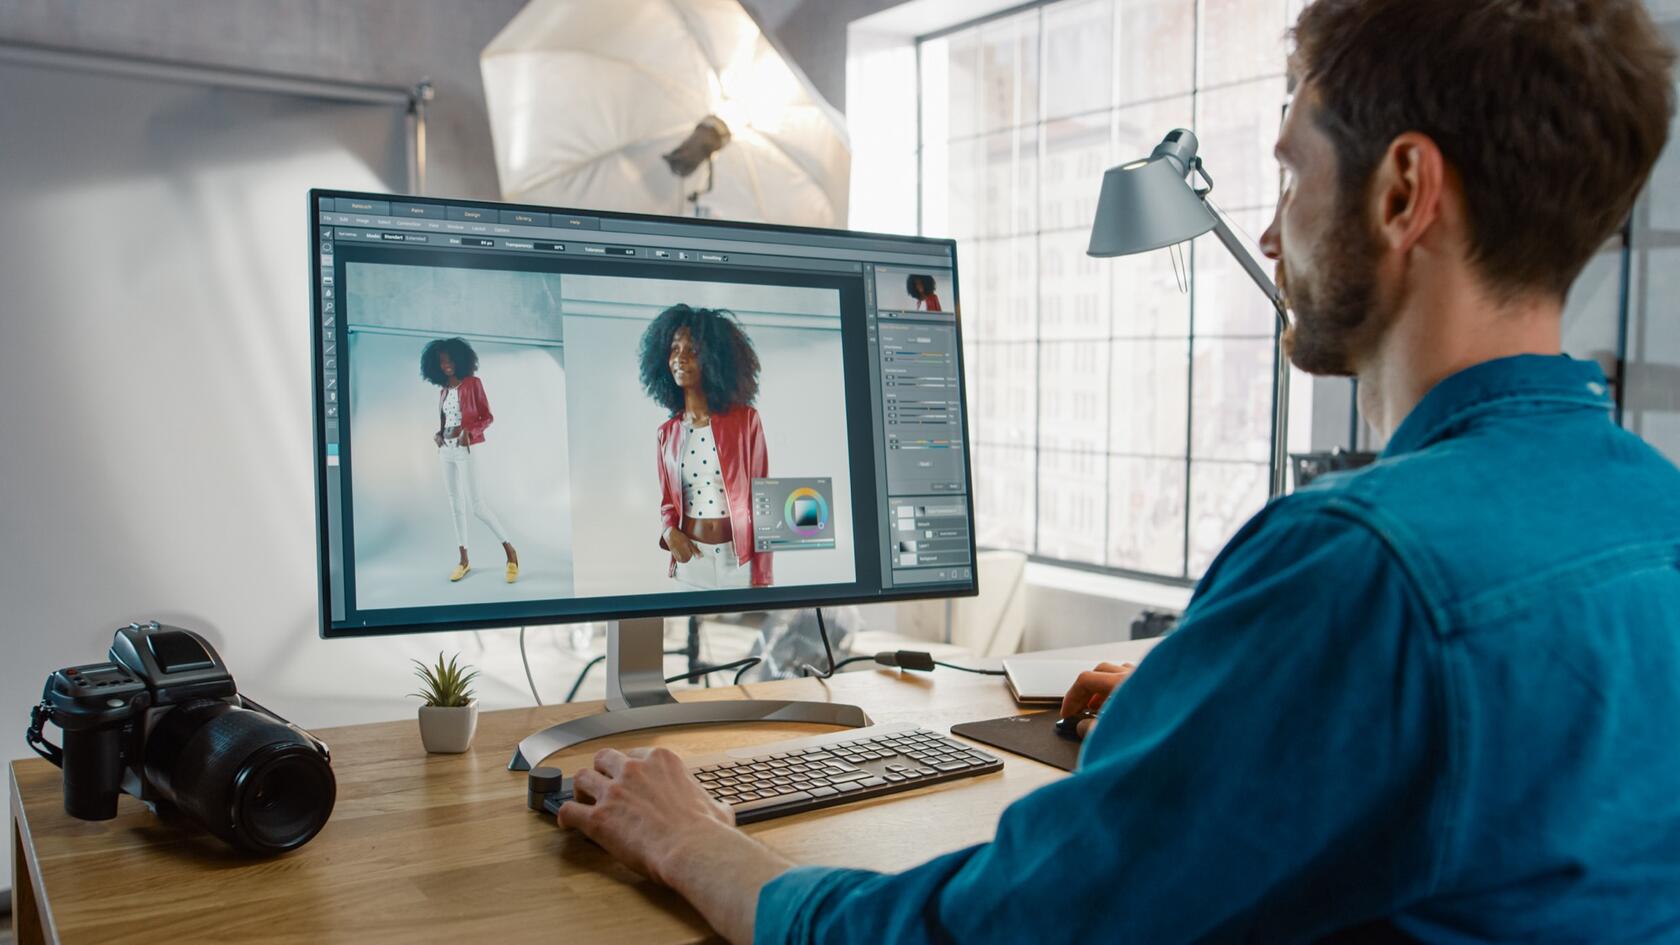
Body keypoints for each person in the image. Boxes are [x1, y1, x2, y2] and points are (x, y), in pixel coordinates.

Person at [554, 1, 1680, 941]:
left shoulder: (1360, 564)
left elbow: (993, 932)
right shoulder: (1654, 512)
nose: (1274, 233)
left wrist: (692, 840)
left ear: (1400, 192)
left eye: (1290, 172)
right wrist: (1228, 709)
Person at [639, 304, 773, 588]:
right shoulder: (667, 434)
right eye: (674, 349)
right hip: (691, 563)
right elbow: (667, 504)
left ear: (715, 360)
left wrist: (763, 576)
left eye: (693, 350)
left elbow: (764, 502)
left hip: (738, 562)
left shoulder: (746, 421)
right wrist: (667, 533)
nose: (680, 358)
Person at [419, 337, 519, 584]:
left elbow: (487, 417)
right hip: (446, 450)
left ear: (460, 359)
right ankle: (464, 560)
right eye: (441, 362)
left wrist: (469, 432)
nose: (446, 365)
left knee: (477, 505)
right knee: (455, 504)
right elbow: (447, 420)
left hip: (466, 449)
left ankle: (511, 553)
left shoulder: (473, 383)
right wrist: (438, 434)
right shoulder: (443, 390)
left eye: (450, 360)